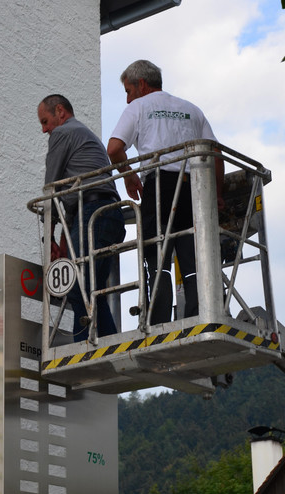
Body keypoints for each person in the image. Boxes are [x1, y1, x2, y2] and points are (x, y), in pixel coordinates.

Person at [107, 60, 224, 324]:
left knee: (157, 259)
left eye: (128, 91)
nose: (127, 99)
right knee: (193, 258)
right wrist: (216, 195)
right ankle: (199, 316)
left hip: (159, 187)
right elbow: (216, 154)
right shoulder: (191, 109)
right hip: (194, 188)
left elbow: (114, 149)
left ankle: (159, 322)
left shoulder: (139, 107)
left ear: (141, 84)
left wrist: (129, 176)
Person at [38, 94, 125, 340]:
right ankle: (106, 346)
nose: (44, 130)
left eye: (45, 122)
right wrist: (64, 240)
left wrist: (49, 236)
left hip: (92, 212)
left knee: (79, 288)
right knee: (92, 290)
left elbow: (51, 187)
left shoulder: (62, 133)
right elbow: (73, 196)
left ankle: (91, 349)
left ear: (60, 111)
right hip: (107, 214)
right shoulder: (84, 135)